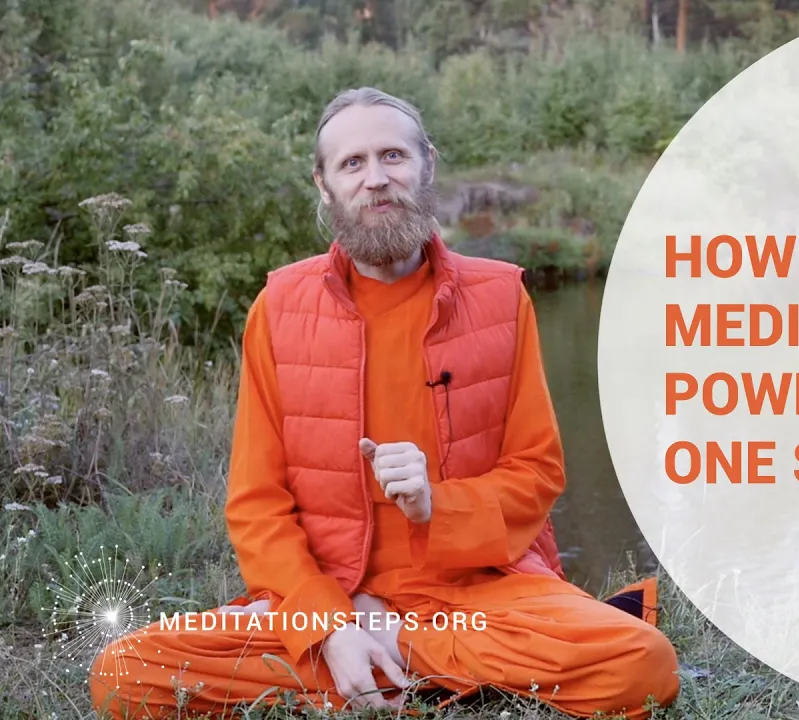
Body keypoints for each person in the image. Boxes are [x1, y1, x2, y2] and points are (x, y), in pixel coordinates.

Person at [88, 87, 680, 718]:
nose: (376, 178)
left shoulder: (501, 298)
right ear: (324, 185)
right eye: (353, 163)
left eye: (393, 156)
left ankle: (391, 653)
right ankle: (405, 666)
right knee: (124, 673)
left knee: (642, 663)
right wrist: (330, 624)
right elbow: (258, 507)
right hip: (329, 596)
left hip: (476, 595)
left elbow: (536, 475)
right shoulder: (278, 309)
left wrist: (435, 506)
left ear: (427, 164)